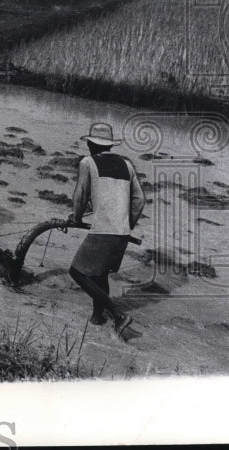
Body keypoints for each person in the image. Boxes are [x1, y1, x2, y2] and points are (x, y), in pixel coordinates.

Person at [68, 122, 145, 340]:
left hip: (104, 230)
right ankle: (97, 317)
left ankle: (118, 315)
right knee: (100, 274)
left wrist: (76, 217)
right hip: (121, 231)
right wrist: (126, 224)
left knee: (77, 272)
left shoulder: (87, 162)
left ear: (91, 144)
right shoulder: (126, 164)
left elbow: (81, 194)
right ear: (110, 145)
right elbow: (140, 200)